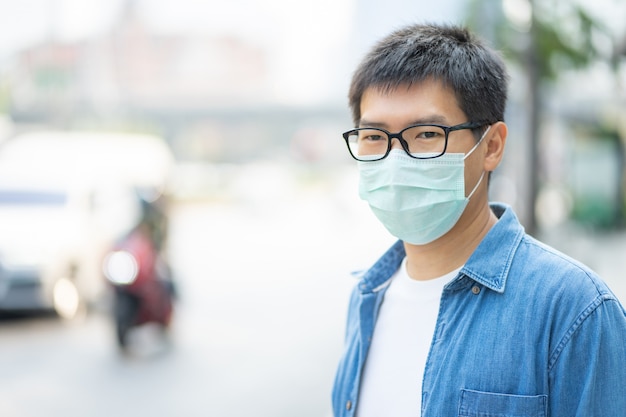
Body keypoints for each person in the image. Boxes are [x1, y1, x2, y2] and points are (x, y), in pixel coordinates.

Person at [332, 23, 626, 417]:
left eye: (426, 134)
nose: (395, 159)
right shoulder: (366, 297)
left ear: (491, 146)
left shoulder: (574, 309)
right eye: (373, 138)